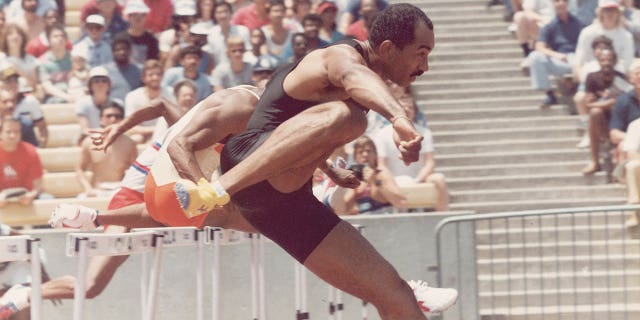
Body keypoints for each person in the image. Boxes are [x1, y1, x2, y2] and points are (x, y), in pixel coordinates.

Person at [174, 4, 457, 318]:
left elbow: (301, 136)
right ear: (388, 48)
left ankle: (219, 190)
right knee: (348, 118)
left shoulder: (357, 83)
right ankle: (216, 189)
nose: (425, 66)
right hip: (247, 162)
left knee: (396, 294)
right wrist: (399, 118)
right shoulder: (338, 57)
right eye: (421, 53)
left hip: (286, 203)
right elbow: (352, 77)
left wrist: (329, 170)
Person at [374, 93, 449, 211]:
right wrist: (392, 182)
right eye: (404, 108)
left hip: (418, 179)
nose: (408, 110)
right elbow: (382, 165)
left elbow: (429, 163)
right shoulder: (382, 134)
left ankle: (442, 216)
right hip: (393, 180)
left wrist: (417, 180)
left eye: (410, 107)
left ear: (415, 111)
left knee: (438, 178)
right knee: (380, 179)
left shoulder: (425, 132)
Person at [580, 48, 631, 175]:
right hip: (600, 118)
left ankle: (611, 151)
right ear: (598, 61)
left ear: (614, 61)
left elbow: (623, 102)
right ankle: (594, 161)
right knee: (595, 113)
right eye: (603, 60)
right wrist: (608, 103)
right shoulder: (592, 77)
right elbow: (588, 104)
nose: (606, 63)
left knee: (597, 111)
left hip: (618, 118)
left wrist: (606, 103)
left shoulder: (621, 78)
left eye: (609, 59)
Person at [526, 0, 584, 108]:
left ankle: (584, 91)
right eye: (557, 1)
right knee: (534, 57)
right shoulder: (549, 26)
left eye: (564, 1)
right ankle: (549, 94)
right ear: (553, 4)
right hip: (561, 60)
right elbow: (539, 47)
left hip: (579, 59)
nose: (560, 3)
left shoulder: (579, 23)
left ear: (568, 4)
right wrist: (555, 55)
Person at [331, 135, 407, 215]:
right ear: (355, 157)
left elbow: (401, 202)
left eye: (369, 151)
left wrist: (374, 181)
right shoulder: (356, 178)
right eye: (360, 152)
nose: (365, 155)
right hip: (365, 222)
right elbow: (344, 209)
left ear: (375, 155)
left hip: (385, 220)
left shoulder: (382, 174)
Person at [76, 102, 137, 199]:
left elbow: (135, 171)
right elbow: (79, 170)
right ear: (101, 119)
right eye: (109, 116)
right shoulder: (89, 142)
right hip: (97, 190)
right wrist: (88, 189)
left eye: (117, 116)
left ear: (122, 120)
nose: (113, 119)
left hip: (119, 189)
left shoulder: (130, 143)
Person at [0, 117, 46, 208]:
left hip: (26, 196)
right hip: (2, 197)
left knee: (47, 199)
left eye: (16, 132)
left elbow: (38, 186)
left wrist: (32, 195)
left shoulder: (30, 151)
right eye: (8, 132)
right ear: (1, 134)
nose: (13, 135)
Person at [124, 59, 172, 144]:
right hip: (141, 135)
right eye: (151, 75)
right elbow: (129, 127)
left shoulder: (170, 93)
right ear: (143, 78)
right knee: (136, 138)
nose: (155, 78)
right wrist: (154, 130)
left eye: (158, 74)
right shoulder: (132, 96)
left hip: (164, 135)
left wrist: (158, 132)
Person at [75, 66, 117, 137]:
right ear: (90, 85)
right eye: (96, 81)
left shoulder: (117, 103)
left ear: (109, 85)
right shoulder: (82, 103)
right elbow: (85, 129)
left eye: (104, 81)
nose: (100, 84)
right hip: (90, 138)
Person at [37, 24, 73, 103]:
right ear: (49, 41)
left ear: (67, 39)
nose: (60, 38)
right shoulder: (43, 61)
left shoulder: (73, 58)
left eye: (62, 36)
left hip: (73, 94)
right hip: (54, 98)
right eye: (55, 36)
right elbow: (47, 86)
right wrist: (66, 96)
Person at [117, 0, 159, 67]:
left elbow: (153, 63)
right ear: (129, 17)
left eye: (142, 15)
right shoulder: (120, 39)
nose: (138, 18)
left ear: (145, 18)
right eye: (134, 15)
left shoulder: (152, 40)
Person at [104, 34, 142, 102]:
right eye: (118, 49)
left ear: (130, 51)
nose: (122, 52)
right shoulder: (105, 71)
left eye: (125, 49)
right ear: (113, 52)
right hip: (113, 109)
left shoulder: (139, 70)